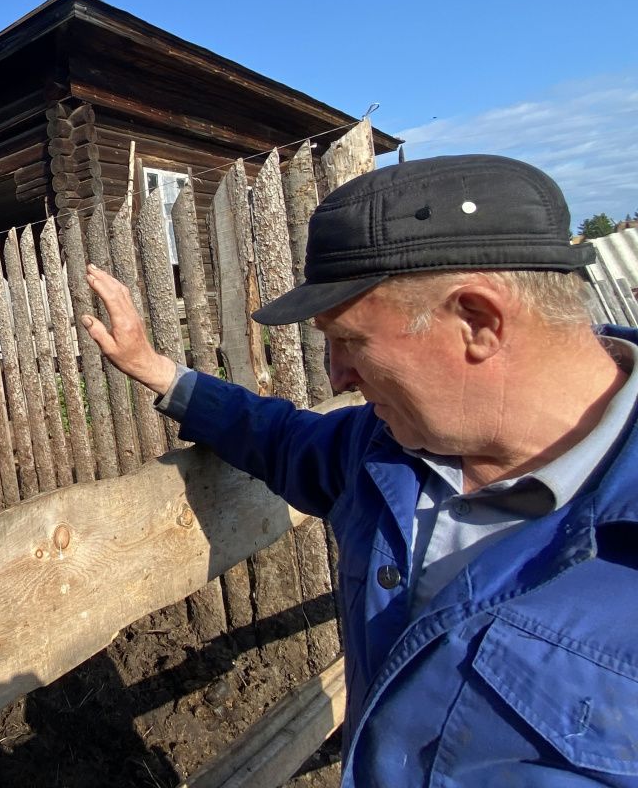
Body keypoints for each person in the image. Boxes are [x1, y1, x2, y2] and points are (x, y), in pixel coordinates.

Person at [81, 154, 638, 786]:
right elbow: (279, 438)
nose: (336, 374)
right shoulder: (381, 452)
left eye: (350, 340)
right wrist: (159, 371)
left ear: (478, 322)